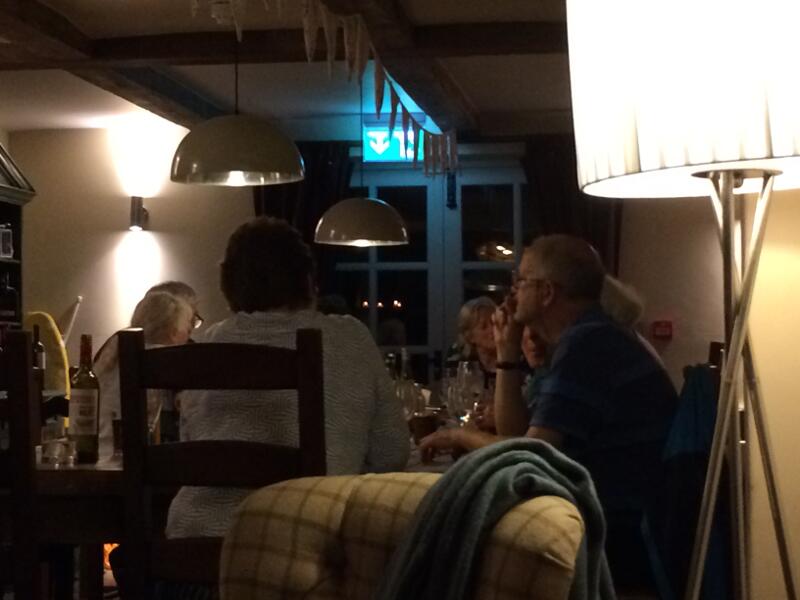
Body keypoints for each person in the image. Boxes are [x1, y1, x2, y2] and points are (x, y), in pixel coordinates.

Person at [421, 234, 678, 589]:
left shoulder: (589, 345)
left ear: (546, 293)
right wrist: (507, 353)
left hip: (623, 542)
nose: (512, 291)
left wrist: (458, 436)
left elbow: (531, 454)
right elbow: (519, 438)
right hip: (619, 524)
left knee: (458, 534)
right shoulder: (591, 336)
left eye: (521, 279)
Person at [166, 217, 409, 540]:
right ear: (308, 280)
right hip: (297, 553)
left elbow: (191, 443)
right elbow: (392, 453)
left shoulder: (207, 345)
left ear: (228, 285)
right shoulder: (349, 338)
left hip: (192, 549)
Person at [95, 291, 195, 464]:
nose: (189, 335)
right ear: (174, 331)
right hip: (143, 462)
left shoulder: (111, 353)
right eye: (187, 327)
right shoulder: (165, 360)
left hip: (100, 456)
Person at [446, 296, 497, 373]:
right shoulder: (459, 362)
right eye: (484, 327)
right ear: (470, 337)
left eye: (494, 323)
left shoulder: (512, 358)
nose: (492, 329)